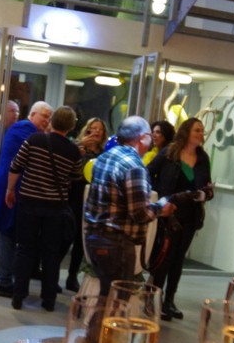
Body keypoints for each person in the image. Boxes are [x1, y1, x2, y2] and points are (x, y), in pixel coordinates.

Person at [6, 105, 82, 311]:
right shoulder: (74, 151)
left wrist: (10, 190)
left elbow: (16, 165)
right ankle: (49, 300)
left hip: (29, 202)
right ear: (71, 127)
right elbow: (75, 177)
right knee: (51, 254)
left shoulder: (34, 140)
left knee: (25, 250)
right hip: (55, 207)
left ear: (52, 121)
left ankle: (18, 296)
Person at [84, 116, 170, 290]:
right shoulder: (134, 166)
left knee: (106, 296)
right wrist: (162, 208)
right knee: (118, 299)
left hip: (94, 238)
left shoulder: (104, 157)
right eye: (149, 136)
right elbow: (140, 213)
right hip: (117, 244)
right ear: (142, 138)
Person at [147, 116, 215, 321]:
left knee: (178, 260)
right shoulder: (170, 152)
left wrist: (206, 194)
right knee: (164, 257)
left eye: (202, 131)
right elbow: (148, 173)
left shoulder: (202, 157)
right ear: (186, 132)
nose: (201, 134)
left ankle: (170, 300)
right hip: (169, 212)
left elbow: (207, 185)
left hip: (191, 214)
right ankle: (154, 299)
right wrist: (160, 195)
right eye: (197, 130)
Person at [0, 100, 50, 294]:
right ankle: (3, 281)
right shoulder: (25, 129)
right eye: (44, 116)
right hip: (9, 188)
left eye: (49, 118)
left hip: (4, 185)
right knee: (6, 233)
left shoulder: (23, 130)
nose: (47, 121)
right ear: (33, 114)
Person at [65, 117, 107, 291]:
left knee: (81, 240)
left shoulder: (104, 153)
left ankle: (72, 276)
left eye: (100, 129)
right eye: (93, 128)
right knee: (67, 235)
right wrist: (79, 148)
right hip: (75, 194)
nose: (97, 131)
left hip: (93, 197)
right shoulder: (77, 146)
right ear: (87, 129)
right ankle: (48, 272)